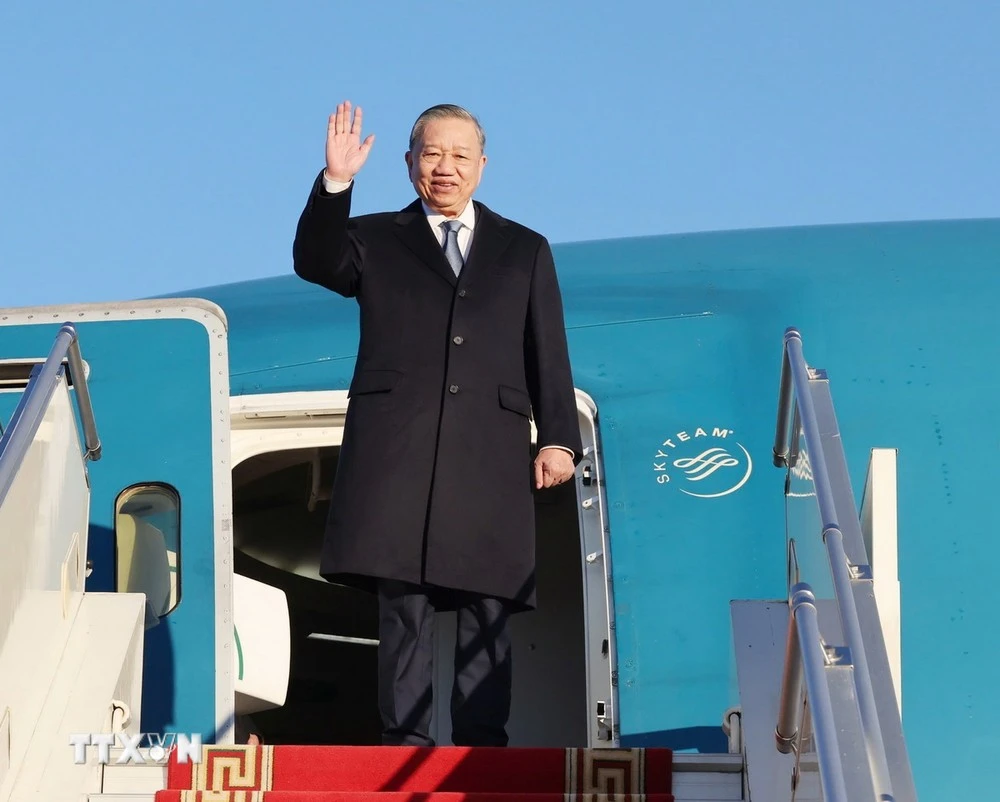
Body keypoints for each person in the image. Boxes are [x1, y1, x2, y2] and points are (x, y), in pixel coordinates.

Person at [292, 101, 582, 747]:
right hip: (397, 443)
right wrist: (335, 182)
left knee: (490, 598)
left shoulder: (523, 247)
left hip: (490, 444)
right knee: (404, 599)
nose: (444, 168)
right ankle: (407, 740)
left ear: (482, 164)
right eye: (431, 154)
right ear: (408, 162)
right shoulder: (373, 237)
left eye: (458, 155)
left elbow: (547, 347)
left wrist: (558, 436)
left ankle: (483, 742)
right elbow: (317, 262)